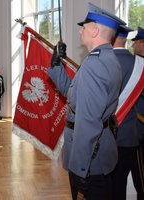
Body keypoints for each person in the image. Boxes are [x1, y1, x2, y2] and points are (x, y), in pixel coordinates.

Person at [47, 3, 125, 199]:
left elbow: (88, 121)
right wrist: (56, 65)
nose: (81, 30)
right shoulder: (104, 59)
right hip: (98, 154)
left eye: (84, 27)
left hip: (90, 159)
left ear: (95, 30)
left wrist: (80, 168)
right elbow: (75, 95)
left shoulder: (95, 65)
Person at [111, 25, 143, 200]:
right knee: (121, 183)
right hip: (130, 136)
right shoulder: (138, 65)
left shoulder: (102, 61)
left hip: (109, 135)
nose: (133, 46)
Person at [131, 26, 144, 200]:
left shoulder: (139, 65)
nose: (133, 45)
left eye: (136, 42)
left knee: (140, 172)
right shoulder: (137, 63)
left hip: (140, 126)